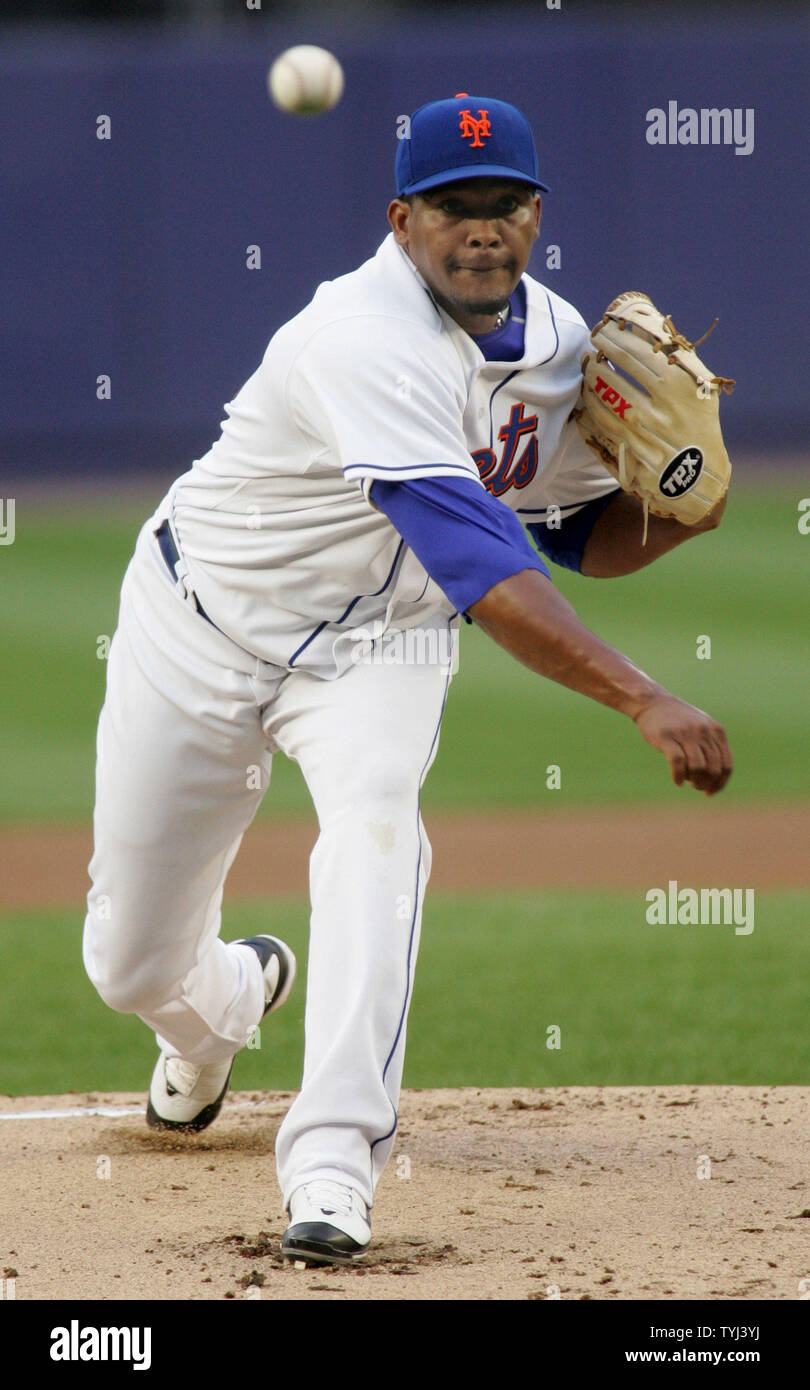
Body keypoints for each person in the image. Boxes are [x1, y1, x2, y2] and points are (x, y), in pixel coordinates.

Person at [83, 94, 732, 1267]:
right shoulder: (360, 335)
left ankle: (331, 1167)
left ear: (536, 215)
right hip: (200, 625)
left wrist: (695, 508)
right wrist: (644, 693)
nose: (482, 228)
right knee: (125, 961)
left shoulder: (559, 346)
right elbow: (484, 565)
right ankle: (227, 1006)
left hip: (382, 650)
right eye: (453, 206)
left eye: (504, 204)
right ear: (403, 219)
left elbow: (575, 531)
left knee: (380, 835)